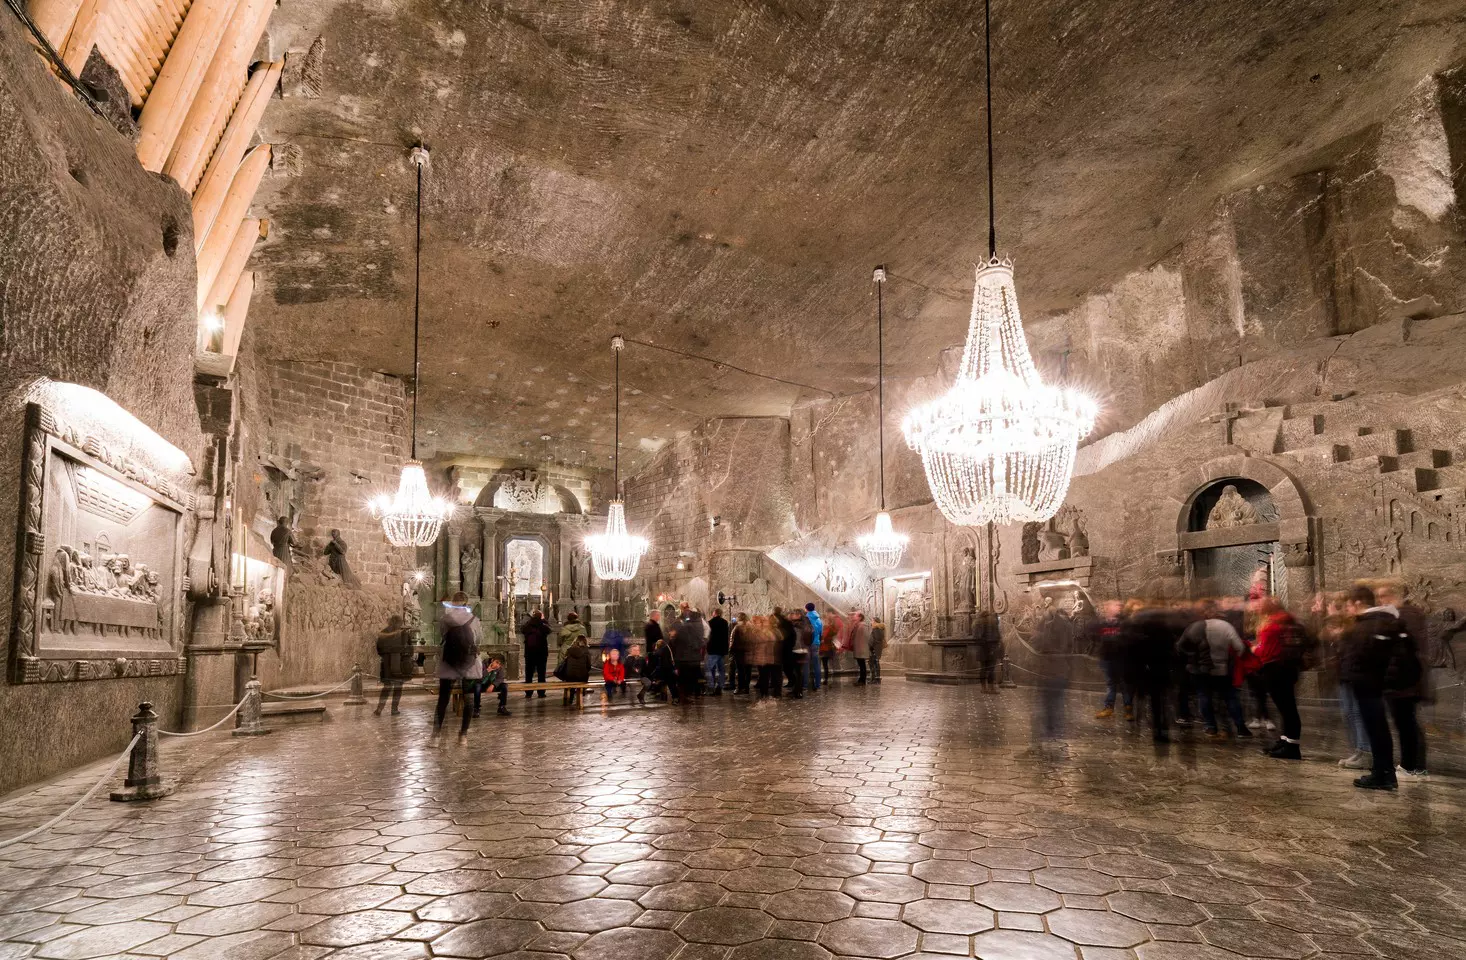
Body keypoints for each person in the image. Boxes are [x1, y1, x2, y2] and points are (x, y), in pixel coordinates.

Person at [1342, 584, 1426, 790]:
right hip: (1376, 685)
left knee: (1378, 730)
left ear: (1358, 603)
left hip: (1370, 685)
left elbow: (1363, 657)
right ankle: (1383, 772)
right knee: (1379, 729)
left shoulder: (1371, 624)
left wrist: (1353, 673)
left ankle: (1383, 773)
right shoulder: (1386, 621)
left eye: (1349, 605)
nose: (1347, 610)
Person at [1178, 602, 1249, 739]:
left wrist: (1192, 658)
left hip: (1200, 670)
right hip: (1222, 669)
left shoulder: (1194, 627)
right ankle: (1240, 727)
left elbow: (1180, 647)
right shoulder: (1226, 626)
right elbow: (1239, 647)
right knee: (1230, 698)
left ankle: (1210, 726)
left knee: (1204, 697)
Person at [1252, 595, 1305, 760]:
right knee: (1286, 708)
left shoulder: (1275, 624)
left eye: (1259, 604)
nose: (1255, 607)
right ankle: (1285, 740)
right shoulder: (1283, 620)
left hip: (1277, 668)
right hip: (1283, 668)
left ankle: (1292, 746)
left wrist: (1253, 649)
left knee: (1287, 708)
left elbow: (1265, 650)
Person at [435, 592, 482, 744]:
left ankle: (436, 735)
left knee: (443, 699)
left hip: (449, 663)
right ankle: (463, 735)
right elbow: (479, 639)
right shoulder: (474, 620)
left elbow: (442, 637)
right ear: (466, 603)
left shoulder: (445, 619)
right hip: (469, 664)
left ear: (453, 602)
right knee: (468, 699)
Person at [1089, 600, 1131, 719]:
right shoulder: (1102, 624)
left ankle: (1129, 709)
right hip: (1107, 658)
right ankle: (1109, 707)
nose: (1117, 607)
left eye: (1118, 606)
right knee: (1111, 684)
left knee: (1124, 684)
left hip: (1121, 658)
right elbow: (1096, 637)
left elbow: (1127, 639)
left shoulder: (1124, 623)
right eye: (1115, 606)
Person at [374, 614, 412, 716]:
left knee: (386, 687)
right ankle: (394, 709)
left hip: (386, 665)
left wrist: (386, 656)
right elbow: (410, 649)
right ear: (399, 623)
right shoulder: (404, 634)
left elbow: (378, 650)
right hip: (399, 664)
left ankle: (379, 709)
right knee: (398, 687)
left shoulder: (383, 633)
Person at [671, 606, 707, 701]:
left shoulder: (680, 626)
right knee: (695, 675)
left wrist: (673, 638)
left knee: (684, 677)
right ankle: (697, 693)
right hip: (695, 656)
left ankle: (686, 695)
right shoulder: (699, 624)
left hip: (683, 657)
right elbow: (703, 639)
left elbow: (674, 641)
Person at [520, 609, 552, 697]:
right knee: (541, 674)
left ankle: (528, 693)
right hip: (541, 653)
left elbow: (522, 630)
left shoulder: (528, 625)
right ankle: (541, 693)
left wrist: (531, 620)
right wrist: (543, 620)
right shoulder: (542, 625)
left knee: (529, 674)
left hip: (529, 653)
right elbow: (549, 630)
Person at [557, 634, 592, 706]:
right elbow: (588, 666)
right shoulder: (586, 651)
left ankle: (570, 699)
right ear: (585, 642)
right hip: (582, 676)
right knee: (583, 675)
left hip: (569, 676)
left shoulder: (569, 650)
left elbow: (565, 663)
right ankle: (582, 693)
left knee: (572, 678)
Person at [706, 607, 730, 695]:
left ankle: (711, 688)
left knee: (711, 669)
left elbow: (708, 636)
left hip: (713, 649)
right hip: (722, 649)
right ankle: (719, 686)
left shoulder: (710, 623)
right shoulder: (725, 622)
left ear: (714, 613)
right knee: (721, 669)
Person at [729, 615, 752, 694]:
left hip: (739, 652)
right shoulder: (751, 628)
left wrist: (731, 651)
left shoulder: (737, 628)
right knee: (748, 670)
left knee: (740, 670)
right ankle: (746, 688)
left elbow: (733, 640)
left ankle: (739, 687)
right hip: (749, 651)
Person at [805, 603, 824, 691]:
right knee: (816, 665)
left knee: (806, 664)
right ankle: (818, 684)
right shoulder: (819, 619)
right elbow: (821, 633)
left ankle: (805, 684)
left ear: (806, 608)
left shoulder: (806, 618)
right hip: (816, 643)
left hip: (807, 643)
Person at [851, 612, 872, 685]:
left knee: (862, 665)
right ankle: (861, 679)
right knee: (861, 665)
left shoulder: (863, 626)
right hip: (859, 648)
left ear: (860, 617)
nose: (854, 617)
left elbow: (866, 638)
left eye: (856, 616)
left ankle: (862, 680)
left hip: (861, 648)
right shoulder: (859, 625)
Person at [869, 617, 886, 684]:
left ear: (875, 621)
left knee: (873, 664)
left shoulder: (875, 629)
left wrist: (870, 645)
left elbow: (874, 639)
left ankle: (874, 679)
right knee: (876, 663)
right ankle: (877, 678)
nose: (871, 622)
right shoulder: (881, 629)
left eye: (872, 620)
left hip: (874, 649)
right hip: (878, 648)